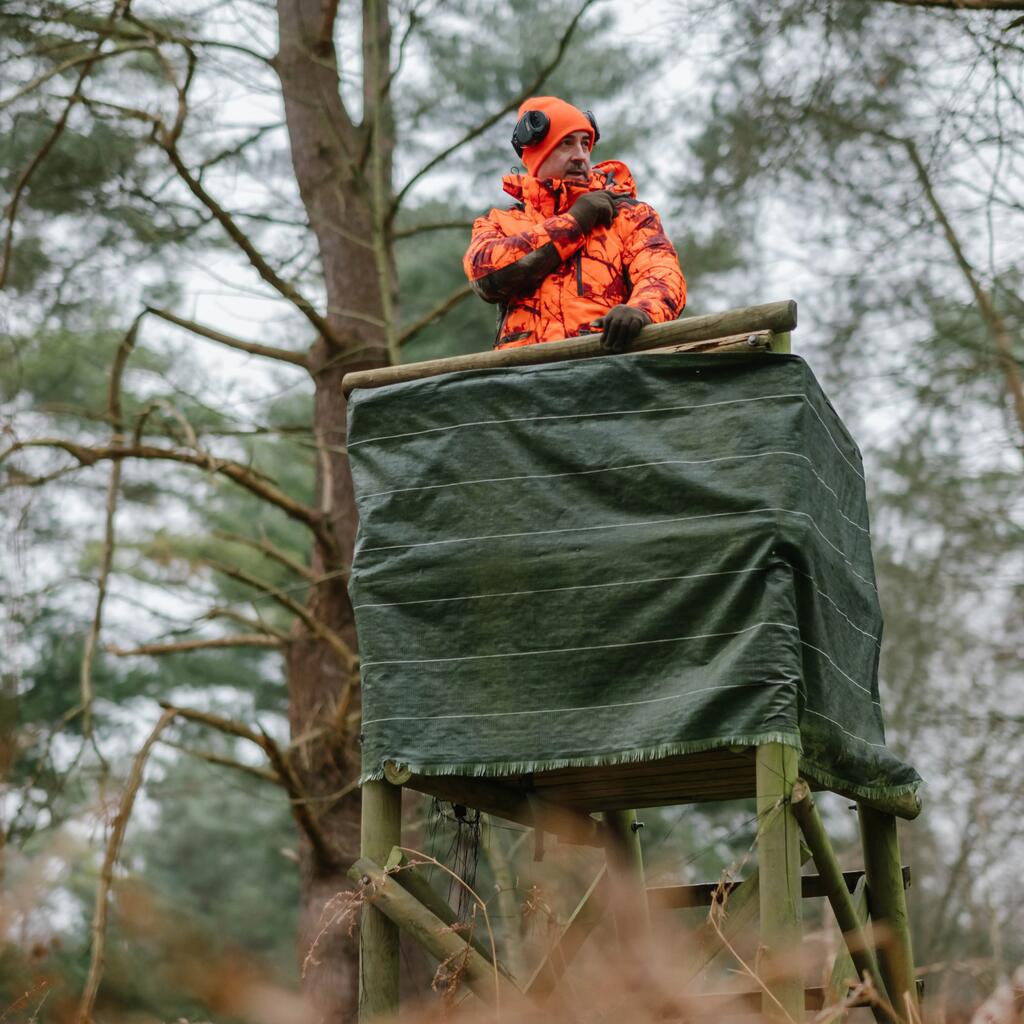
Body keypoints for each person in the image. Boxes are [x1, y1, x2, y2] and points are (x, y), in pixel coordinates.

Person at [463, 96, 686, 352]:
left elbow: (662, 275)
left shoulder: (628, 215)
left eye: (585, 144)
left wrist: (641, 311)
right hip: (520, 380)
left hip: (607, 372)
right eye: (566, 143)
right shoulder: (500, 223)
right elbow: (487, 278)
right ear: (534, 154)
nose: (580, 156)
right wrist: (574, 223)